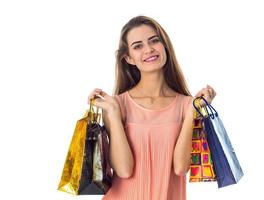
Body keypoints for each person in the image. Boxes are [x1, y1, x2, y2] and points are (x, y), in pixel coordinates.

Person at [88, 16, 217, 200]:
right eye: (138, 46)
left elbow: (181, 168)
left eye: (154, 41)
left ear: (164, 46)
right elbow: (124, 170)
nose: (148, 49)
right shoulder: (117, 106)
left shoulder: (188, 105)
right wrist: (114, 116)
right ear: (129, 58)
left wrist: (191, 115)